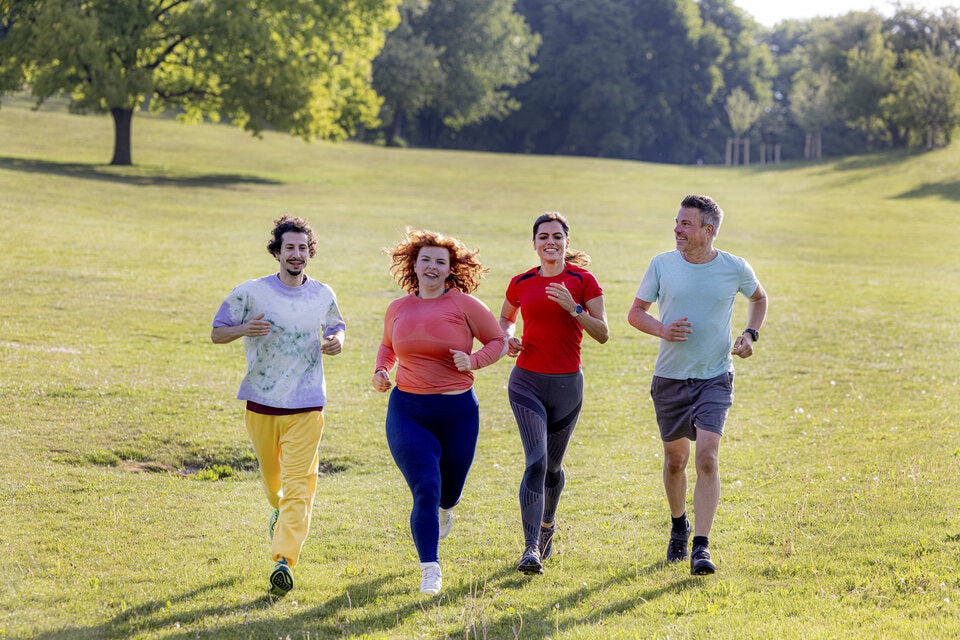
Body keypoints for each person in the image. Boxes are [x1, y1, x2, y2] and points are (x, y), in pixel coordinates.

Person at [627, 194, 767, 575]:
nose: (677, 229)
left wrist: (750, 334)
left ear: (709, 231)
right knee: (676, 461)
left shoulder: (734, 267)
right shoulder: (662, 265)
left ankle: (701, 547)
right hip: (670, 377)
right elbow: (635, 314)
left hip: (715, 376)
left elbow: (759, 298)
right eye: (677, 222)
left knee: (707, 456)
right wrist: (662, 329)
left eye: (686, 224)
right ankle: (679, 526)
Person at [211, 215, 345, 598]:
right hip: (262, 404)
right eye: (290, 247)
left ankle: (283, 561)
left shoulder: (322, 293)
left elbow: (337, 325)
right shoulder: (251, 293)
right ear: (277, 252)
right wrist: (243, 329)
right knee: (276, 489)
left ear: (310, 252)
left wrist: (337, 340)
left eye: (303, 248)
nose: (297, 254)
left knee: (299, 486)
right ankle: (278, 512)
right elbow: (217, 332)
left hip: (307, 405)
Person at [372, 228, 506, 596]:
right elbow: (387, 347)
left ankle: (448, 509)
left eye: (439, 262)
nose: (431, 267)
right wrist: (382, 370)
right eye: (425, 260)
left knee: (449, 491)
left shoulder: (464, 305)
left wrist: (473, 360)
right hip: (408, 410)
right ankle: (430, 568)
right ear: (414, 264)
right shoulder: (398, 308)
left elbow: (499, 341)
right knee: (426, 488)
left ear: (450, 270)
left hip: (458, 411)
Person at [499, 212, 609, 575]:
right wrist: (507, 338)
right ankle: (530, 549)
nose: (551, 241)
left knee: (553, 467)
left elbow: (603, 333)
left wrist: (573, 308)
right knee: (536, 461)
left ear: (566, 242)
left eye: (557, 236)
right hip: (526, 382)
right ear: (534, 243)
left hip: (567, 386)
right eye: (543, 236)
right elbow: (505, 319)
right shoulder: (521, 282)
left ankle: (547, 525)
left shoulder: (583, 281)